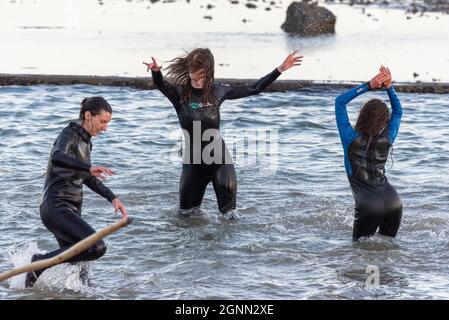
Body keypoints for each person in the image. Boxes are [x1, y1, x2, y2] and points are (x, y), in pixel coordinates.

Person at [143, 48, 302, 218]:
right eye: (191, 70)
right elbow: (161, 84)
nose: (193, 75)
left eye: (198, 71)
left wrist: (280, 69)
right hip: (193, 163)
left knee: (230, 217)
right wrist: (156, 71)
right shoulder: (180, 93)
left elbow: (254, 88)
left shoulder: (218, 91)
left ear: (208, 71)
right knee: (185, 217)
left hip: (219, 161)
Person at [25, 97, 127, 287]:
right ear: (88, 115)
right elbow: (57, 157)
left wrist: (112, 198)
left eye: (107, 123)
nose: (105, 128)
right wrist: (87, 168)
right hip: (56, 207)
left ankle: (29, 287)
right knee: (96, 247)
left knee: (81, 269)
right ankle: (38, 263)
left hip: (70, 209)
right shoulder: (69, 134)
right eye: (103, 121)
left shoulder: (87, 142)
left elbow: (86, 176)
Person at [335, 66, 403, 241]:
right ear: (385, 121)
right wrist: (389, 87)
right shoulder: (388, 137)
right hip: (393, 200)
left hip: (369, 205)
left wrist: (368, 85)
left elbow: (340, 102)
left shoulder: (349, 137)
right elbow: (398, 112)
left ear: (363, 115)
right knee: (387, 253)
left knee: (358, 255)